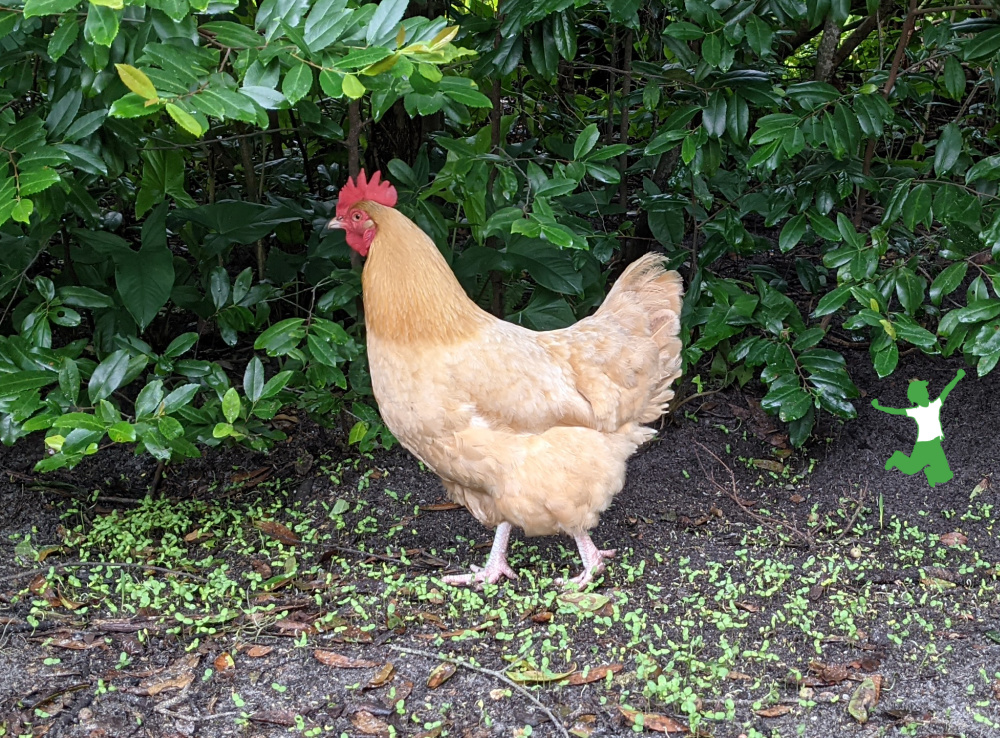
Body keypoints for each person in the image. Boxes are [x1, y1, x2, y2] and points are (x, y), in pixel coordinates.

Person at [871, 369, 965, 487]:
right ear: (915, 397)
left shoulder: (935, 405)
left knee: (946, 475)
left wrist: (957, 377)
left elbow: (946, 390)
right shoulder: (916, 411)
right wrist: (878, 407)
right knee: (910, 469)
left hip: (935, 444)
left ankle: (930, 472)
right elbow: (895, 411)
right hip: (924, 446)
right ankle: (896, 458)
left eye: (924, 391)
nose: (923, 394)